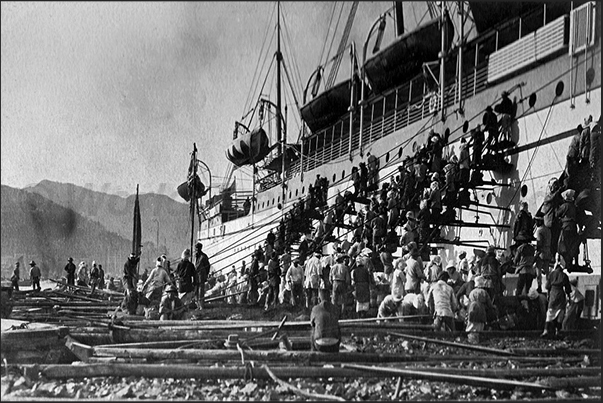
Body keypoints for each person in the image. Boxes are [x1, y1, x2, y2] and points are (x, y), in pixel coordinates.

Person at [541, 254, 571, 338]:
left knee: (550, 313)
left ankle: (545, 330)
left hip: (553, 294)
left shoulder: (551, 274)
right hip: (561, 294)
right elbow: (568, 289)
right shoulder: (564, 276)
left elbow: (547, 287)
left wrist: (548, 295)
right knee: (560, 313)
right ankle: (558, 331)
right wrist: (569, 297)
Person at [466, 276, 495, 344]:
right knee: (480, 325)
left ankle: (471, 340)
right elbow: (489, 304)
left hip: (472, 308)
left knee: (471, 324)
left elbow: (469, 302)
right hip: (481, 309)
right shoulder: (484, 292)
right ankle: (477, 341)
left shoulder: (472, 292)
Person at [310, 288, 341, 353]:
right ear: (329, 298)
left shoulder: (315, 309)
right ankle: (337, 362)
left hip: (320, 344)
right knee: (337, 326)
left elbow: (312, 324)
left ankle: (313, 359)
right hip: (334, 343)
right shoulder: (335, 308)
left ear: (319, 299)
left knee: (313, 330)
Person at [556, 189, 579, 270]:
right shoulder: (574, 206)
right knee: (573, 245)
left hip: (565, 228)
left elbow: (557, 214)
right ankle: (574, 262)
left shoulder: (564, 206)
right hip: (573, 228)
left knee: (563, 245)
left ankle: (565, 262)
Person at [533, 215, 551, 293]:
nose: (536, 223)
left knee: (538, 271)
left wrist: (536, 252)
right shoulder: (548, 230)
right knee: (547, 271)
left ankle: (539, 286)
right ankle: (548, 287)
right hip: (548, 252)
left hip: (541, 253)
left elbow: (539, 243)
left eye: (537, 221)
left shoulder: (539, 230)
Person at [351, 252, 373, 318]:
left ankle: (359, 314)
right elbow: (369, 278)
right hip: (365, 286)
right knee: (365, 299)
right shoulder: (366, 270)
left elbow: (353, 280)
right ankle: (364, 313)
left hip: (358, 286)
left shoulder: (354, 271)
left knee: (359, 299)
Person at [194, 242, 210, 309]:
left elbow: (208, 266)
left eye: (198, 248)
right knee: (196, 292)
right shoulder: (195, 256)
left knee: (201, 292)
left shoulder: (204, 257)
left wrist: (205, 274)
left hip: (201, 276)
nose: (197, 250)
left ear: (200, 248)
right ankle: (197, 305)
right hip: (195, 277)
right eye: (196, 248)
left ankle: (201, 306)